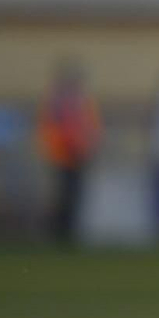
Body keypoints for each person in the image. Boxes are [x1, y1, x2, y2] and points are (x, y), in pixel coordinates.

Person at [37, 62, 100, 244]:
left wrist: (88, 146)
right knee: (63, 196)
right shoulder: (57, 102)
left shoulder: (81, 102)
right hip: (62, 155)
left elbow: (91, 127)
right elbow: (51, 129)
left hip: (78, 154)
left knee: (74, 196)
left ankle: (69, 234)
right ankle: (59, 233)